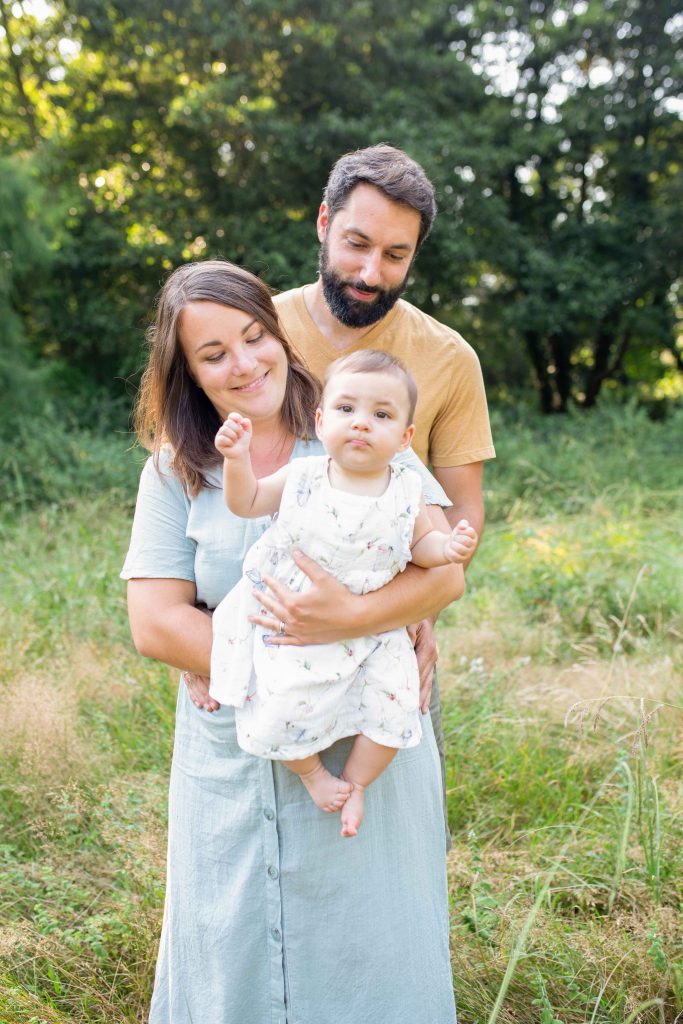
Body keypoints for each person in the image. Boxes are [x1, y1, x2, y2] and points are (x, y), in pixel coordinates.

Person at [121, 258, 462, 1023]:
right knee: (235, 955)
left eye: (254, 337)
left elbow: (441, 578)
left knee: (370, 954)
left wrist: (346, 623)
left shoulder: (361, 424)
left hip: (363, 737)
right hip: (234, 743)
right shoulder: (176, 472)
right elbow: (155, 622)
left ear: (278, 334)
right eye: (214, 354)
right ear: (188, 373)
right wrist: (266, 657)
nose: (244, 364)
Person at [272, 143, 496, 833]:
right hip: (270, 638)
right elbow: (195, 483)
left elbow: (462, 512)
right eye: (356, 244)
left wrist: (412, 610)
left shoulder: (449, 358)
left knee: (392, 849)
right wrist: (203, 638)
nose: (371, 273)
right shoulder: (256, 334)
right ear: (322, 223)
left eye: (395, 255)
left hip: (389, 643)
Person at [211, 349, 478, 837]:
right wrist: (236, 460)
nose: (361, 423)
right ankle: (312, 773)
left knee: (397, 701)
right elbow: (246, 501)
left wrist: (447, 548)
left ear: (405, 438)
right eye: (346, 409)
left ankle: (356, 783)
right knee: (282, 700)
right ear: (321, 420)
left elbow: (421, 546)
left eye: (381, 415)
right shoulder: (303, 476)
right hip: (296, 616)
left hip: (374, 623)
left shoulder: (406, 490)